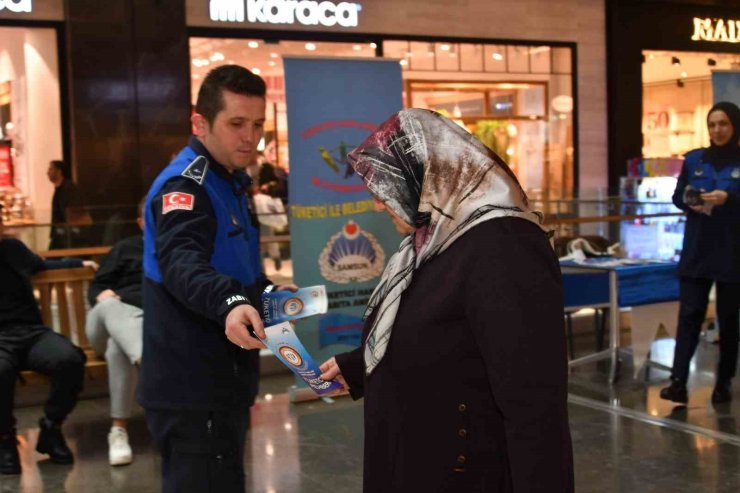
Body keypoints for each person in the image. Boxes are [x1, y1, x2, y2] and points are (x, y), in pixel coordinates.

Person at [319, 109, 574, 492]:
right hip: (415, 462)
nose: (378, 204)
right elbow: (440, 335)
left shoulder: (505, 246)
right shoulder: (433, 240)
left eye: (386, 186)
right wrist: (358, 366)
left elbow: (533, 403)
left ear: (429, 175)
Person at [138, 65, 296, 493]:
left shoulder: (230, 181)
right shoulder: (186, 185)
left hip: (225, 380)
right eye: (236, 123)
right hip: (192, 386)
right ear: (200, 123)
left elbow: (237, 269)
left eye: (258, 125)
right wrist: (230, 302)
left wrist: (268, 293)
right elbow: (182, 263)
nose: (250, 137)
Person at [0, 203, 96, 475]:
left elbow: (41, 264)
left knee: (69, 359)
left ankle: (51, 428)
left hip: (31, 333)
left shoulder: (13, 249)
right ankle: (5, 439)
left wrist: (80, 263)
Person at [660, 101, 740, 405]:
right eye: (712, 125)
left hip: (732, 253)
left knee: (728, 322)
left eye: (724, 124)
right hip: (698, 250)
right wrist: (690, 200)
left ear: (735, 127)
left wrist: (729, 198)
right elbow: (677, 196)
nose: (717, 130)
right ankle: (678, 382)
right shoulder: (694, 159)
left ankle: (723, 382)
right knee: (689, 316)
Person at [85, 197, 146, 466]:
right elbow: (96, 289)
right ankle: (145, 361)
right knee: (110, 305)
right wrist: (102, 295)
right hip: (104, 322)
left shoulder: (172, 252)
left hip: (138, 330)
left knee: (117, 349)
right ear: (140, 222)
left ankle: (118, 430)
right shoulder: (125, 248)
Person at [47, 159, 89, 249]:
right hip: (61, 232)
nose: (48, 172)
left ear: (59, 172)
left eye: (51, 169)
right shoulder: (60, 189)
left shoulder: (69, 189)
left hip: (67, 234)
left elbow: (73, 212)